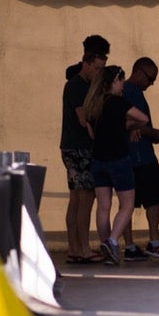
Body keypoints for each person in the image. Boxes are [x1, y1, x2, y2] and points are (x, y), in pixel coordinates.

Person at [83, 65, 150, 265]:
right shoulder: (118, 103)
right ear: (115, 81)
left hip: (98, 160)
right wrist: (130, 127)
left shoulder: (92, 105)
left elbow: (92, 134)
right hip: (119, 159)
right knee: (127, 205)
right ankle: (112, 241)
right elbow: (144, 119)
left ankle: (106, 249)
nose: (123, 85)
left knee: (103, 207)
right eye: (121, 81)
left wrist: (122, 127)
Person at [120, 57, 159, 262]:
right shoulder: (128, 92)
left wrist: (154, 135)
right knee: (151, 199)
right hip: (138, 156)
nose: (151, 83)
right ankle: (151, 242)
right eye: (150, 78)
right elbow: (132, 125)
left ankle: (131, 245)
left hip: (137, 153)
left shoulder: (132, 92)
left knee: (131, 202)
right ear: (137, 71)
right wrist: (156, 133)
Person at [60, 34, 109, 264]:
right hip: (79, 147)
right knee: (85, 197)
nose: (99, 73)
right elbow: (83, 118)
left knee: (76, 198)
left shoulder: (78, 84)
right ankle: (82, 248)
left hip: (73, 147)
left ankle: (74, 248)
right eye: (97, 68)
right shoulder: (78, 86)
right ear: (86, 63)